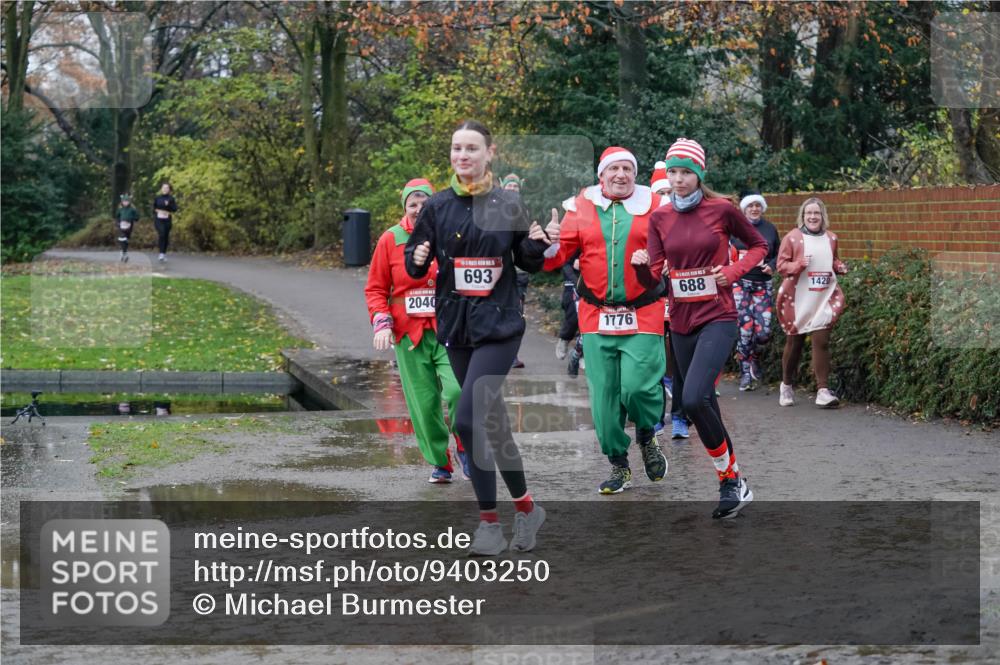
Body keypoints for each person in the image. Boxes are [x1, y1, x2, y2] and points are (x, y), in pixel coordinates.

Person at [405, 120, 550, 555]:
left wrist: (539, 244)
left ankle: (489, 523)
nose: (462, 156)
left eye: (471, 148)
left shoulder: (508, 204)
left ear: (490, 153)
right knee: (493, 423)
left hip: (500, 328)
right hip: (457, 327)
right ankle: (527, 509)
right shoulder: (436, 206)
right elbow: (415, 267)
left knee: (466, 418)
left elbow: (528, 262)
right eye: (456, 149)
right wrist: (417, 257)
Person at [636, 138, 768, 519]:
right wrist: (641, 266)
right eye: (673, 172)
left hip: (718, 316)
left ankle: (730, 480)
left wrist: (730, 272)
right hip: (680, 320)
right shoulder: (659, 219)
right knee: (702, 403)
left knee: (692, 399)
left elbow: (758, 246)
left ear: (699, 175)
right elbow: (655, 284)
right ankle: (734, 480)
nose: (678, 179)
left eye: (686, 172)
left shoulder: (722, 210)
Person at [543, 147, 668, 495]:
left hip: (643, 311)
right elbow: (558, 258)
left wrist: (660, 262)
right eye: (614, 168)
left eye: (628, 169)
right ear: (601, 175)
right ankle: (619, 465)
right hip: (596, 314)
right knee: (604, 397)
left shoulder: (655, 206)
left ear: (635, 175)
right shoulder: (580, 207)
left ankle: (646, 434)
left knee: (639, 387)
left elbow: (672, 248)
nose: (621, 175)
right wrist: (551, 243)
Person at [365, 178, 469, 484]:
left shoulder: (450, 234)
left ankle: (466, 447)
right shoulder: (390, 239)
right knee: (424, 404)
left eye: (425, 203)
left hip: (448, 328)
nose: (418, 209)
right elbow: (375, 288)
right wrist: (382, 321)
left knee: (459, 390)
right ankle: (440, 462)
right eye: (413, 204)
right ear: (405, 208)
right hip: (408, 333)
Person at [775, 197, 848, 408]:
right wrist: (798, 264)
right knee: (794, 344)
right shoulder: (793, 238)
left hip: (823, 297)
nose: (813, 217)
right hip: (799, 299)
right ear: (803, 216)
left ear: (822, 216)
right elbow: (781, 266)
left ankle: (823, 390)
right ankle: (786, 385)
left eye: (817, 213)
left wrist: (839, 266)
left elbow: (830, 260)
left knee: (822, 341)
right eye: (809, 213)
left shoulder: (831, 238)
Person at [649, 162, 690, 439]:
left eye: (668, 190)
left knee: (679, 359)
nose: (666, 194)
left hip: (682, 297)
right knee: (653, 359)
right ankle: (655, 417)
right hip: (652, 297)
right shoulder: (647, 219)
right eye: (660, 190)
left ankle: (680, 417)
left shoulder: (686, 218)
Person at [731, 191, 780, 391]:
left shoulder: (769, 229)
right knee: (745, 329)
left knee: (764, 332)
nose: (754, 209)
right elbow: (725, 253)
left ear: (762, 208)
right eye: (750, 206)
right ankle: (744, 373)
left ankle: (754, 358)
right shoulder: (735, 229)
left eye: (757, 206)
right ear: (744, 209)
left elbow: (779, 254)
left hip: (763, 285)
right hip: (740, 284)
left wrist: (772, 265)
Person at [153, 183, 178, 262]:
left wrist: (169, 206)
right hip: (158, 219)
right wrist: (157, 211)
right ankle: (160, 253)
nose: (165, 189)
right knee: (162, 233)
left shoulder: (171, 198)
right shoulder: (157, 198)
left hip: (167, 220)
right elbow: (153, 208)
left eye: (167, 188)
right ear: (161, 189)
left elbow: (175, 209)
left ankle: (163, 253)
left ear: (169, 189)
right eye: (163, 188)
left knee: (166, 236)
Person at [114, 193, 139, 263]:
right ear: (122, 202)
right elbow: (117, 216)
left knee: (126, 240)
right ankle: (124, 253)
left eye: (127, 201)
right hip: (121, 226)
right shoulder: (120, 209)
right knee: (122, 238)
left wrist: (131, 219)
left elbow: (137, 217)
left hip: (129, 227)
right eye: (124, 201)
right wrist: (118, 222)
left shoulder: (132, 209)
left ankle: (124, 252)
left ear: (129, 202)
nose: (125, 203)